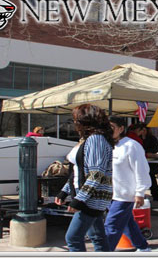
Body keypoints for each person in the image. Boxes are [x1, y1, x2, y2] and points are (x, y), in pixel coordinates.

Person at [55, 104, 114, 252]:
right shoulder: (88, 139)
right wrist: (65, 192)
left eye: (76, 119)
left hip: (92, 198)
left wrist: (79, 200)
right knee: (98, 238)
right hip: (90, 196)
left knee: (73, 238)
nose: (74, 122)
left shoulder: (96, 139)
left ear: (85, 121)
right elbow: (78, 170)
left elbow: (96, 174)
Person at [105, 117, 152, 252]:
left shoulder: (131, 146)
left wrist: (140, 192)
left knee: (111, 226)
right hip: (109, 193)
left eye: (112, 127)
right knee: (127, 223)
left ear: (121, 129)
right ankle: (143, 247)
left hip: (125, 195)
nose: (108, 130)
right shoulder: (107, 145)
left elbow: (141, 170)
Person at [140, 126, 158, 201]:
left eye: (143, 130)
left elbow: (157, 148)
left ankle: (155, 195)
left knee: (152, 178)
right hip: (142, 161)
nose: (142, 131)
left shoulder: (152, 138)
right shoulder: (139, 138)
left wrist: (148, 152)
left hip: (151, 162)